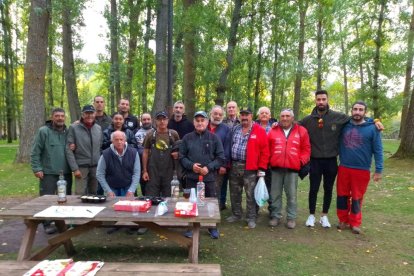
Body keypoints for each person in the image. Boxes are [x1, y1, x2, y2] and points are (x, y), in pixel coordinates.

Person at [300, 90, 383, 228]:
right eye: (318, 99)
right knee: (327, 191)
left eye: (323, 99)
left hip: (343, 164)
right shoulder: (312, 120)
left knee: (341, 192)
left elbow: (361, 122)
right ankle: (325, 217)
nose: (321, 102)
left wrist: (375, 121)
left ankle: (339, 219)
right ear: (315, 100)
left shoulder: (344, 119)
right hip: (326, 163)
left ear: (327, 100)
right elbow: (294, 123)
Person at [336, 101, 383, 234]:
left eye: (360, 110)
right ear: (351, 111)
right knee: (342, 195)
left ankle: (355, 222)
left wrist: (379, 170)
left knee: (357, 197)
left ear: (365, 112)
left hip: (362, 169)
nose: (357, 112)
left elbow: (378, 150)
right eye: (355, 109)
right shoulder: (344, 126)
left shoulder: (373, 128)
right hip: (344, 167)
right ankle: (343, 220)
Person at [180, 111, 225, 239]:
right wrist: (191, 166)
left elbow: (221, 157)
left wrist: (209, 167)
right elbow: (182, 157)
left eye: (202, 120)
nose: (200, 123)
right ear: (194, 123)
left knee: (210, 202)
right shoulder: (187, 138)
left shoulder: (214, 138)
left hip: (209, 178)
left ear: (207, 122)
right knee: (191, 203)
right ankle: (191, 227)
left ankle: (212, 227)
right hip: (191, 178)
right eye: (197, 121)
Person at [31, 108, 73, 234]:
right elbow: (35, 152)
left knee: (65, 198)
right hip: (48, 172)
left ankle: (62, 222)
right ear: (52, 117)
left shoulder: (68, 132)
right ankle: (47, 223)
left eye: (62, 116)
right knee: (47, 199)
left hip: (65, 172)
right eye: (57, 116)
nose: (60, 118)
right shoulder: (43, 131)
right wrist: (37, 168)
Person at [226, 107, 269, 229]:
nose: (244, 117)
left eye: (247, 115)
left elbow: (265, 151)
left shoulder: (259, 130)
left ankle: (251, 217)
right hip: (234, 166)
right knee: (234, 192)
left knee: (250, 194)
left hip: (250, 167)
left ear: (251, 116)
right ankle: (236, 214)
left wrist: (262, 168)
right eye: (242, 115)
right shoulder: (235, 129)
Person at [267, 108, 311, 229]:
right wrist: (269, 161)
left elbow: (306, 149)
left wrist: (300, 161)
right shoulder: (273, 130)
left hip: (292, 169)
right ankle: (275, 216)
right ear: (279, 118)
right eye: (282, 116)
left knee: (291, 195)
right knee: (275, 194)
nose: (285, 118)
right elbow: (267, 148)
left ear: (292, 118)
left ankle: (291, 218)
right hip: (276, 168)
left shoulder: (301, 131)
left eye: (287, 116)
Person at [66, 105, 102, 195]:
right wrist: (75, 169)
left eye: (91, 113)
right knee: (79, 193)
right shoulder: (74, 128)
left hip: (95, 167)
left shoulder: (98, 128)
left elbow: (100, 147)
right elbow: (68, 149)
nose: (89, 116)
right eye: (87, 113)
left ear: (95, 114)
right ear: (82, 115)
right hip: (81, 167)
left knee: (94, 193)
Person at [142, 111, 180, 197]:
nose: (162, 121)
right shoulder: (150, 134)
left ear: (168, 120)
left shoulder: (174, 134)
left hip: (169, 171)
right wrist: (145, 171)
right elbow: (145, 152)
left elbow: (179, 150)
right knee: (151, 197)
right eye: (159, 119)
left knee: (170, 197)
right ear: (155, 121)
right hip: (153, 171)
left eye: (164, 119)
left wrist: (177, 154)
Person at [96, 131, 140, 198]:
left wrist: (132, 190)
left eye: (121, 139)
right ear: (112, 141)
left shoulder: (134, 153)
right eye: (116, 140)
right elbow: (99, 174)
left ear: (125, 140)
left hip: (128, 188)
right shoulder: (105, 154)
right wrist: (108, 191)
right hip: (111, 189)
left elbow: (136, 173)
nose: (119, 142)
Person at [207, 105, 231, 211]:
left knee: (215, 190)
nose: (217, 116)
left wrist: (224, 165)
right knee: (202, 189)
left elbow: (227, 148)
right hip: (203, 165)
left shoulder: (226, 129)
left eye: (220, 114)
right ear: (210, 114)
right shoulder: (203, 125)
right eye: (215, 114)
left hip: (218, 166)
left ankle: (213, 214)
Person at [255, 106, 277, 212]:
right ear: (258, 115)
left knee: (271, 187)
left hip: (270, 163)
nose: (264, 115)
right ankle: (254, 209)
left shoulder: (275, 128)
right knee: (254, 186)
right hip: (256, 162)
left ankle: (272, 210)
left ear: (270, 116)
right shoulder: (253, 127)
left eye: (266, 113)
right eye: (262, 113)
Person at [135, 113, 154, 195]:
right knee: (144, 186)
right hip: (140, 163)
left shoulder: (156, 131)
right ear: (141, 121)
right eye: (144, 119)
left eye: (148, 119)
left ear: (151, 120)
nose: (146, 121)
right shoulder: (135, 133)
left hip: (154, 163)